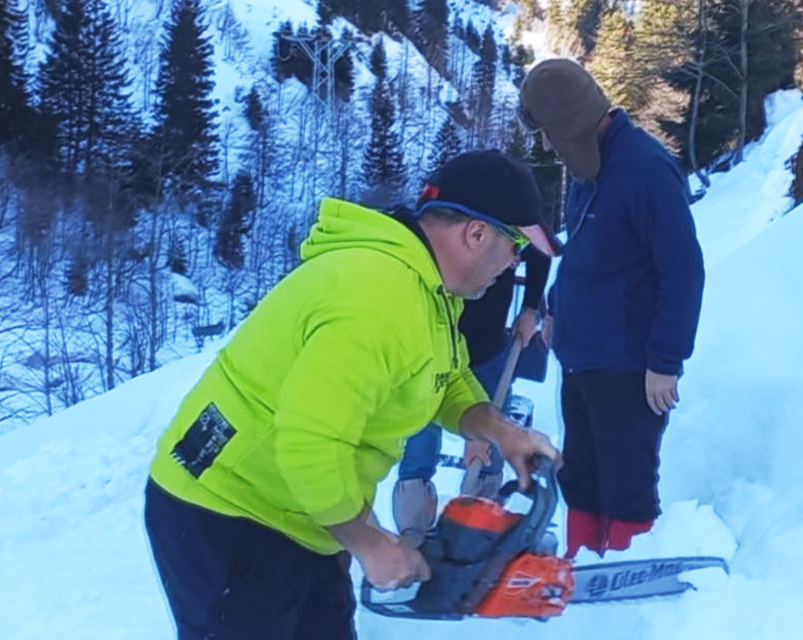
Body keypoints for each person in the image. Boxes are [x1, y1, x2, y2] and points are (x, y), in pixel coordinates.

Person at [143, 149, 561, 640]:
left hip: (307, 510)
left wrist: (498, 430)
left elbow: (443, 377)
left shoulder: (426, 286)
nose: (514, 264)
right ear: (476, 234)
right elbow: (308, 443)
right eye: (516, 248)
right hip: (230, 508)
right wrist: (369, 542)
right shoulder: (376, 296)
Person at [518, 59, 705, 558]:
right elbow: (582, 253)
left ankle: (629, 572)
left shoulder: (646, 170)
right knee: (579, 473)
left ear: (568, 123)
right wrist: (556, 307)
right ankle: (585, 566)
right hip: (582, 357)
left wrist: (665, 361)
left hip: (629, 364)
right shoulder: (590, 169)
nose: (545, 147)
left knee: (625, 479)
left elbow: (684, 271)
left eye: (548, 134)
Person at [391, 208, 552, 543]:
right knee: (421, 433)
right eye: (511, 253)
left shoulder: (513, 214)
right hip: (436, 344)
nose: (512, 262)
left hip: (490, 347)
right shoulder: (448, 221)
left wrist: (530, 307)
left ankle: (478, 523)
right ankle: (413, 531)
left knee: (491, 444)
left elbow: (540, 253)